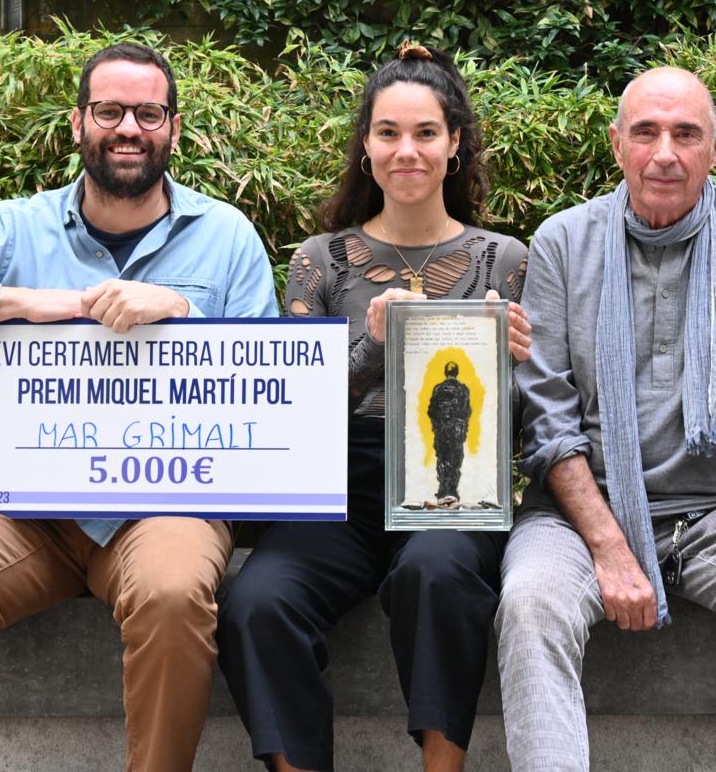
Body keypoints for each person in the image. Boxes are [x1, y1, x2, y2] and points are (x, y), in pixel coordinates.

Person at [0, 42, 278, 772]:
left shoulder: (226, 236)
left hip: (165, 502)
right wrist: (20, 303)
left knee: (172, 596)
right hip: (20, 507)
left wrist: (183, 311)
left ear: (173, 127)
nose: (128, 128)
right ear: (77, 123)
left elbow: (272, 389)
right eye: (110, 111)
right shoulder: (15, 230)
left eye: (148, 113)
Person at [496, 66, 716, 772]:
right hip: (578, 512)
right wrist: (609, 545)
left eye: (686, 134)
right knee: (530, 603)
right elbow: (548, 416)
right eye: (646, 132)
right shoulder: (562, 240)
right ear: (617, 143)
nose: (665, 154)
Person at [217, 43, 531, 772]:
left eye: (425, 133)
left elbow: (525, 419)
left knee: (437, 573)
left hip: (454, 480)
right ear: (366, 146)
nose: (406, 150)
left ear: (454, 144)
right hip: (338, 487)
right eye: (388, 132)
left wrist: (513, 364)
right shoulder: (320, 260)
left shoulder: (507, 260)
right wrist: (371, 348)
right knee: (257, 603)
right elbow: (295, 415)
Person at [428, 361, 472, 502]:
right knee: (455, 458)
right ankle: (452, 490)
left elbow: (431, 411)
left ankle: (443, 488)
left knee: (442, 457)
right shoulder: (463, 389)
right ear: (457, 372)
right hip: (457, 429)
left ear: (445, 372)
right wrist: (463, 428)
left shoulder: (438, 388)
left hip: (442, 429)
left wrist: (437, 426)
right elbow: (467, 411)